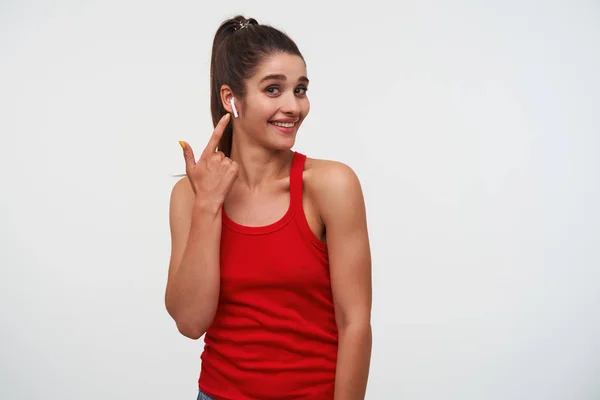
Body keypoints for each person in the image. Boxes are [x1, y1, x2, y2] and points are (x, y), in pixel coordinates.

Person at [165, 15, 372, 400]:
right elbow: (191, 322)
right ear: (232, 99)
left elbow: (355, 322)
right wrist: (209, 204)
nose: (294, 106)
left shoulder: (331, 186)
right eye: (274, 89)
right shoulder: (191, 196)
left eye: (301, 89)